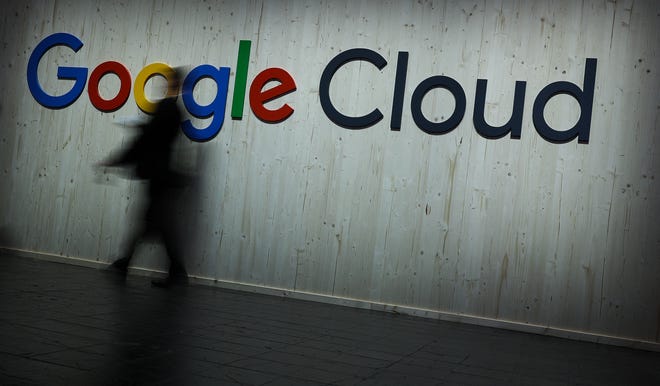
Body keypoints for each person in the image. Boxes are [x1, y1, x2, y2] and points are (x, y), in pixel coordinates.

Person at [99, 67, 189, 288]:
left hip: (157, 175)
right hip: (162, 176)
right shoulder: (176, 111)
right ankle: (133, 264)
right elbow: (157, 137)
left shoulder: (166, 107)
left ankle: (132, 264)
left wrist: (116, 160)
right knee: (154, 223)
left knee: (155, 223)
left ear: (170, 83)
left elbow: (148, 141)